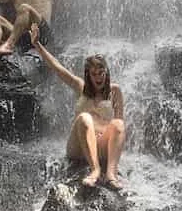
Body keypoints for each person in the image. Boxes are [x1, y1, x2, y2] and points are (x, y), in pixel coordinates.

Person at [30, 23, 126, 190]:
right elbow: (57, 67)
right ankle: (95, 171)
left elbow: (119, 130)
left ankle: (111, 174)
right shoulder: (80, 86)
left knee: (119, 124)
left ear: (106, 73)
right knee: (84, 118)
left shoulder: (115, 91)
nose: (98, 78)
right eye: (94, 74)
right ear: (88, 75)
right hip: (78, 147)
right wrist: (37, 44)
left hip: (102, 145)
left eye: (101, 73)